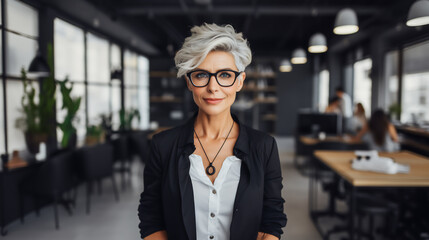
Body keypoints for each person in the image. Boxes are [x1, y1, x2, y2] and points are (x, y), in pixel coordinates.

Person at [138, 23, 287, 240]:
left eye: (225, 75)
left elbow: (272, 219)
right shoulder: (163, 146)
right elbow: (151, 217)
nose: (213, 87)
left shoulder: (264, 147)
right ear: (189, 81)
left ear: (239, 81)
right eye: (201, 75)